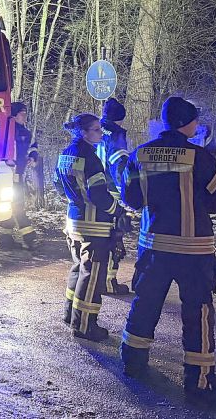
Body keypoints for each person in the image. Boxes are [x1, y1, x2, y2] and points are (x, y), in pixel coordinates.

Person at [120, 97, 216, 397]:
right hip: (194, 250)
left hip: (154, 245)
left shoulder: (140, 154)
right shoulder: (199, 156)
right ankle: (199, 380)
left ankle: (132, 361)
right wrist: (197, 205)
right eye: (195, 120)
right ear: (187, 123)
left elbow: (130, 197)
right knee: (198, 311)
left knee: (145, 303)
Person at [55, 113, 121, 341]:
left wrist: (76, 201)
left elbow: (59, 186)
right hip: (93, 224)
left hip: (73, 220)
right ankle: (84, 325)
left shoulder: (65, 154)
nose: (101, 134)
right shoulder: (90, 158)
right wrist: (116, 210)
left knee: (78, 268)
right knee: (92, 276)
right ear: (84, 133)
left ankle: (70, 313)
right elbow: (99, 194)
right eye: (97, 130)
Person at [96, 97, 132, 295]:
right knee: (114, 239)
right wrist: (127, 194)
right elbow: (119, 166)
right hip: (111, 192)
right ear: (120, 118)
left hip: (92, 192)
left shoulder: (92, 128)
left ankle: (94, 278)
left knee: (96, 238)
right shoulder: (116, 135)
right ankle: (109, 282)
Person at [0, 102, 39, 250]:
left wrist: (33, 157)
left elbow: (33, 147)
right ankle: (30, 239)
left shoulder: (26, 133)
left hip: (18, 174)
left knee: (10, 207)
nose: (25, 117)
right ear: (14, 115)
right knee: (17, 206)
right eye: (22, 114)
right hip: (8, 175)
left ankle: (5, 240)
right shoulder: (5, 131)